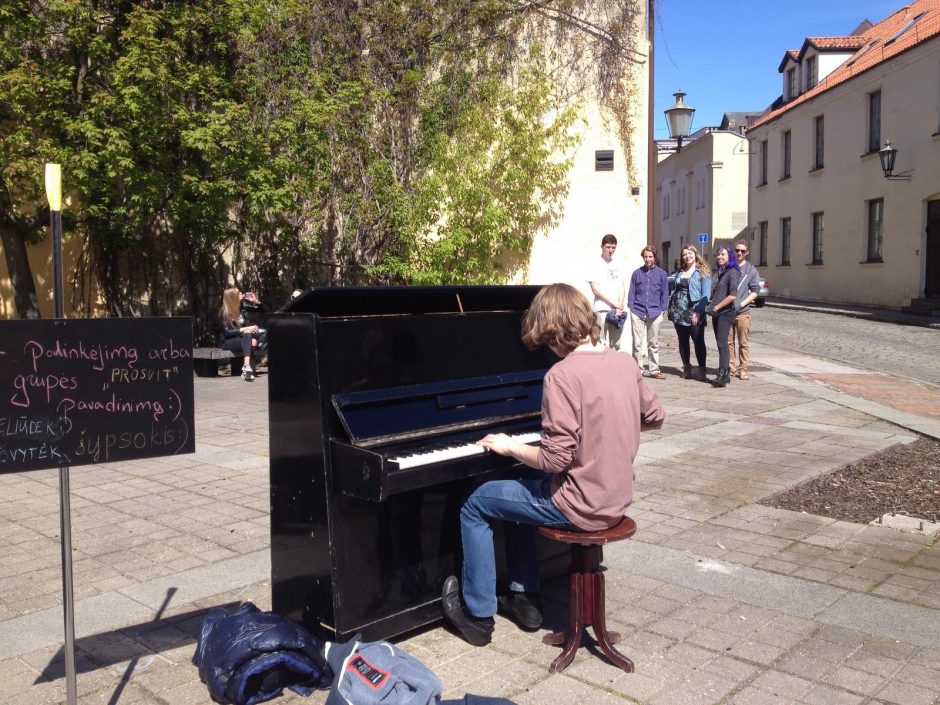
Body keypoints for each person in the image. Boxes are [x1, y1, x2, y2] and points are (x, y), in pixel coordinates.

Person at [441, 283, 665, 646]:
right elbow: (654, 416)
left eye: (544, 339)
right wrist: (608, 428)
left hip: (578, 506)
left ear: (552, 330)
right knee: (518, 489)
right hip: (616, 499)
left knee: (477, 502)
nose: (545, 347)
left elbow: (554, 459)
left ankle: (478, 616)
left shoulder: (561, 375)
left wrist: (511, 445)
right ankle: (524, 597)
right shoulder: (625, 363)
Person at [668, 245, 712, 381]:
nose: (687, 256)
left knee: (698, 341)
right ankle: (686, 367)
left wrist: (698, 312)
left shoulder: (703, 272)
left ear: (695, 254)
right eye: (685, 254)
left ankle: (702, 369)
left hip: (694, 311)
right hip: (678, 311)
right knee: (682, 341)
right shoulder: (679, 271)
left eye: (690, 253)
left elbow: (706, 296)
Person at [628, 246, 670, 379]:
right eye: (645, 256)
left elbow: (665, 293)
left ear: (655, 257)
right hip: (638, 311)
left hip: (655, 312)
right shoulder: (636, 273)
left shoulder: (662, 274)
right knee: (637, 343)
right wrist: (632, 308)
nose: (648, 259)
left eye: (650, 256)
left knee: (653, 343)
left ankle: (654, 369)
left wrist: (662, 309)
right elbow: (632, 292)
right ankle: (637, 370)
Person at [704, 246, 741, 388]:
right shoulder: (721, 272)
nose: (719, 257)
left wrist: (717, 307)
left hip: (725, 313)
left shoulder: (732, 272)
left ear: (730, 256)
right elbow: (718, 294)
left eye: (723, 254)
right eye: (718, 255)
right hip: (717, 313)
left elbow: (732, 295)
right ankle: (724, 374)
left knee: (722, 344)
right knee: (721, 344)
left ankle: (723, 375)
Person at [728, 240, 761, 380]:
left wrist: (741, 304)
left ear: (747, 252)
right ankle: (731, 368)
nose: (739, 253)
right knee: (728, 342)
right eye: (737, 250)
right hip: (728, 311)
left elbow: (755, 291)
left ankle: (743, 369)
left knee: (743, 342)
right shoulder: (728, 267)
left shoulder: (751, 270)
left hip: (743, 312)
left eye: (742, 251)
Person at [587, 234, 626, 351]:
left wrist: (619, 305)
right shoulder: (594, 264)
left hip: (616, 310)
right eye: (608, 247)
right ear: (602, 247)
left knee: (616, 344)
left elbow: (622, 286)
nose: (610, 250)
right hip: (601, 309)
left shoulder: (618, 264)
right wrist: (614, 303)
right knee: (600, 342)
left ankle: (614, 368)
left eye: (613, 247)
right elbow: (595, 290)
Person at [219, 287, 267, 381]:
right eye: (238, 293)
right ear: (233, 297)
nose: (241, 293)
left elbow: (265, 310)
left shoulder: (242, 307)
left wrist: (257, 302)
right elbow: (227, 333)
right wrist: (245, 328)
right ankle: (247, 367)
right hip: (228, 341)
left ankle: (247, 368)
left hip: (243, 338)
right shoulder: (224, 312)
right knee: (249, 335)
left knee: (253, 340)